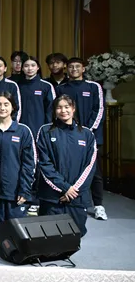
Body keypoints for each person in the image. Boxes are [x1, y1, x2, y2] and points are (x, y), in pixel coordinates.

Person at [36, 95, 97, 236]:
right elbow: (44, 163)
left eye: (67, 107)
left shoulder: (86, 134)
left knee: (75, 235)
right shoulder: (45, 131)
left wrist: (73, 190)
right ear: (54, 110)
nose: (63, 111)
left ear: (73, 108)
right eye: (59, 107)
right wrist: (64, 188)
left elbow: (90, 166)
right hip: (52, 197)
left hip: (76, 197)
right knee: (48, 236)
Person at [57, 57, 107, 220]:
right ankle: (75, 203)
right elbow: (58, 111)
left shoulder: (94, 86)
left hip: (90, 136)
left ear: (83, 69)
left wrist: (87, 131)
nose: (74, 69)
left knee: (94, 171)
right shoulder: (62, 88)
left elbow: (99, 110)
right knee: (70, 169)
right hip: (68, 136)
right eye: (71, 67)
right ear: (67, 69)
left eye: (77, 66)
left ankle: (98, 205)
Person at [0, 92, 36, 229]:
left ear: (13, 107)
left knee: (16, 231)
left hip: (15, 192)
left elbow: (29, 164)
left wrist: (24, 190)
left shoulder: (23, 131)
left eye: (6, 104)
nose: (2, 108)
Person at [18, 56, 56, 137]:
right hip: (20, 126)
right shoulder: (17, 86)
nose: (29, 68)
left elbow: (51, 109)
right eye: (26, 66)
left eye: (33, 65)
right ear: (22, 68)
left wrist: (47, 127)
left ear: (38, 67)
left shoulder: (46, 86)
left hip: (40, 127)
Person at [0, 56, 21, 121]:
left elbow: (17, 107)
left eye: (0, 66)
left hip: (7, 123)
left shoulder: (12, 85)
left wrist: (14, 123)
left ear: (5, 69)